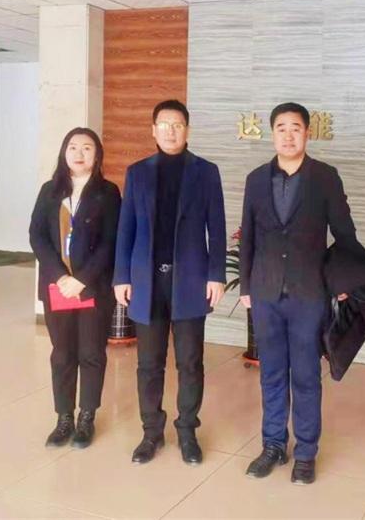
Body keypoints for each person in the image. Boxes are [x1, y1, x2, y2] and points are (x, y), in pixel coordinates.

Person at [239, 102, 357, 485]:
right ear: (272, 133)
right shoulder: (256, 179)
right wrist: (246, 286)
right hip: (266, 292)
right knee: (271, 373)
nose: (288, 135)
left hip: (309, 294)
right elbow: (248, 234)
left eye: (295, 128)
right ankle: (273, 444)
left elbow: (345, 236)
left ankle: (306, 452)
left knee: (306, 375)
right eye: (281, 128)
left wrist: (341, 283)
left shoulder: (325, 177)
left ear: (307, 132)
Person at [113, 99, 226, 465]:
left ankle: (187, 431)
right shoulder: (137, 173)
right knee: (149, 363)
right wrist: (121, 276)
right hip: (147, 282)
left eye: (177, 124)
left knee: (190, 362)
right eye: (164, 124)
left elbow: (217, 228)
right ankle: (151, 432)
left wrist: (216, 275)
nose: (171, 131)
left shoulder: (206, 172)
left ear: (187, 130)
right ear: (153, 130)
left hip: (191, 280)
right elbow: (126, 228)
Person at [30, 127, 121, 449]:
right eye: (73, 147)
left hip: (92, 287)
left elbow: (111, 241)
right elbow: (37, 236)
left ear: (97, 155)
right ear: (64, 152)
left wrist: (82, 279)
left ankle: (86, 417)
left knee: (92, 353)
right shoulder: (49, 191)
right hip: (57, 288)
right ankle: (64, 418)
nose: (79, 153)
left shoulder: (108, 192)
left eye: (87, 148)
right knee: (62, 354)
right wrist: (59, 276)